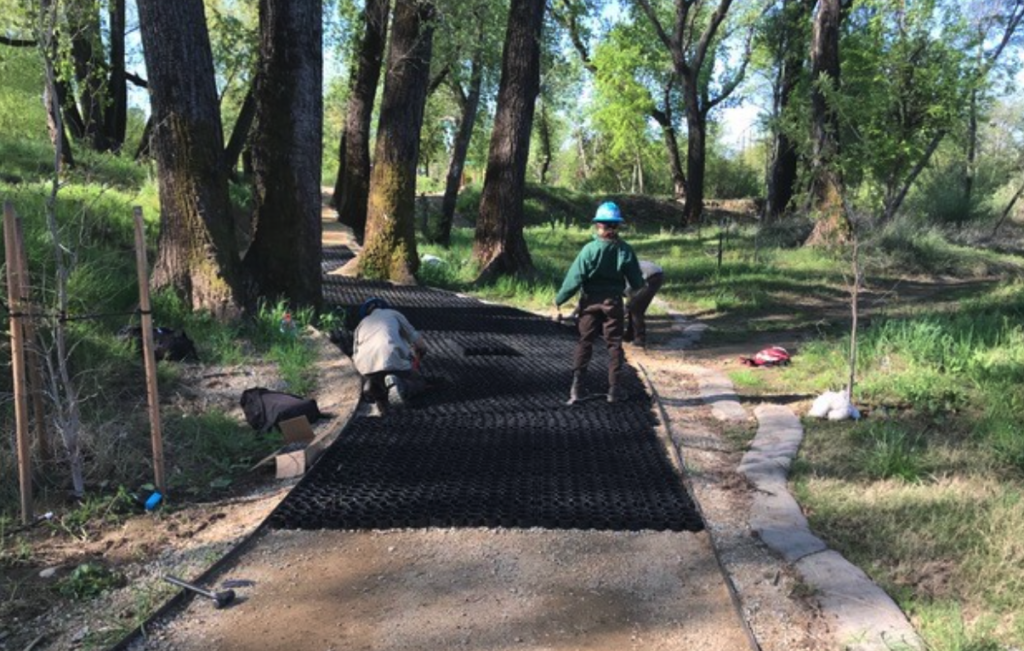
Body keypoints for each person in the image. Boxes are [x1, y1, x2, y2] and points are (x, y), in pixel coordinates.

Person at [554, 201, 645, 405]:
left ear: (598, 225)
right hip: (613, 304)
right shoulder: (624, 250)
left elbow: (574, 278)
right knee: (614, 345)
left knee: (585, 342)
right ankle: (614, 390)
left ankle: (576, 389)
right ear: (617, 226)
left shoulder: (589, 250)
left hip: (589, 304)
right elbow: (637, 282)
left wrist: (560, 299)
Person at [352, 297, 428, 415]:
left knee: (379, 385)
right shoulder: (394, 314)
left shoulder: (360, 325)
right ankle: (400, 384)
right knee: (419, 382)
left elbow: (355, 355)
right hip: (392, 360)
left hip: (366, 367)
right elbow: (415, 338)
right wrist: (422, 350)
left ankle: (373, 387)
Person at [624, 260, 664, 348]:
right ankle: (630, 334)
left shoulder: (618, 275)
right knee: (634, 305)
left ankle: (640, 338)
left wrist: (626, 308)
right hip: (651, 273)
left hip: (653, 276)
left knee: (636, 308)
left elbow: (630, 289)